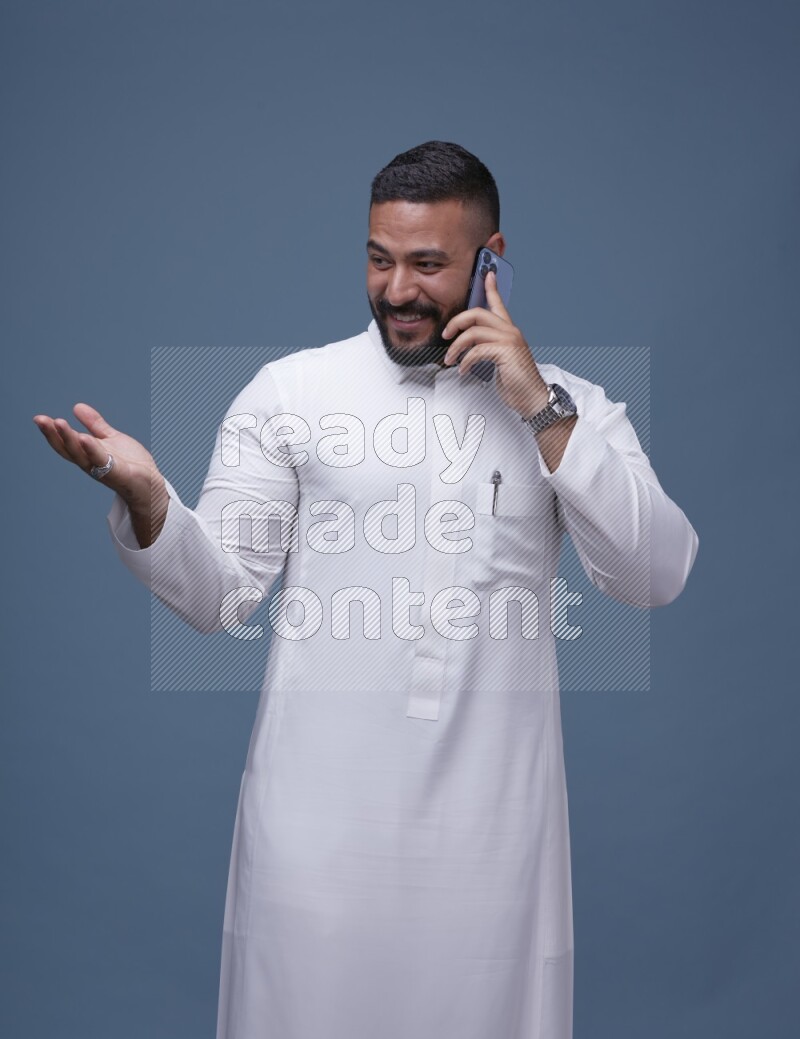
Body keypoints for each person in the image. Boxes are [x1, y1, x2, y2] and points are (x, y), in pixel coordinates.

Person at [34, 141, 698, 1039]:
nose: (397, 290)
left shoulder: (569, 406)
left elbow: (654, 575)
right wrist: (153, 502)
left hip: (492, 850)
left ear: (491, 257)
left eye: (428, 264)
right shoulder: (292, 394)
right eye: (380, 259)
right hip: (312, 850)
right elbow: (218, 595)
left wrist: (538, 403)